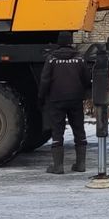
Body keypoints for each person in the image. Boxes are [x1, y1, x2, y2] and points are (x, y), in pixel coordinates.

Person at [38, 36, 92, 174]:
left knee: (58, 131)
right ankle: (81, 165)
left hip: (56, 100)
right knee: (79, 130)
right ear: (70, 43)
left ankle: (58, 166)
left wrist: (41, 97)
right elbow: (86, 79)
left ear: (58, 44)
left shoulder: (52, 59)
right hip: (75, 99)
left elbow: (45, 80)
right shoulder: (79, 59)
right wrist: (84, 92)